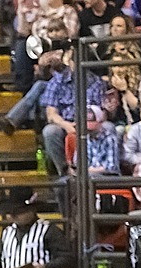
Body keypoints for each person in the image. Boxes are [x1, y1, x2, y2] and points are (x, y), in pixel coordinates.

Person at [41, 46, 104, 175]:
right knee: (50, 131)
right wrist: (66, 125)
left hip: (90, 123)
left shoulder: (97, 83)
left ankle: (100, 170)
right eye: (77, 62)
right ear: (70, 62)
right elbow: (51, 114)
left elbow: (101, 112)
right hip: (65, 123)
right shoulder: (57, 81)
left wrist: (88, 125)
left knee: (108, 128)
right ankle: (65, 171)